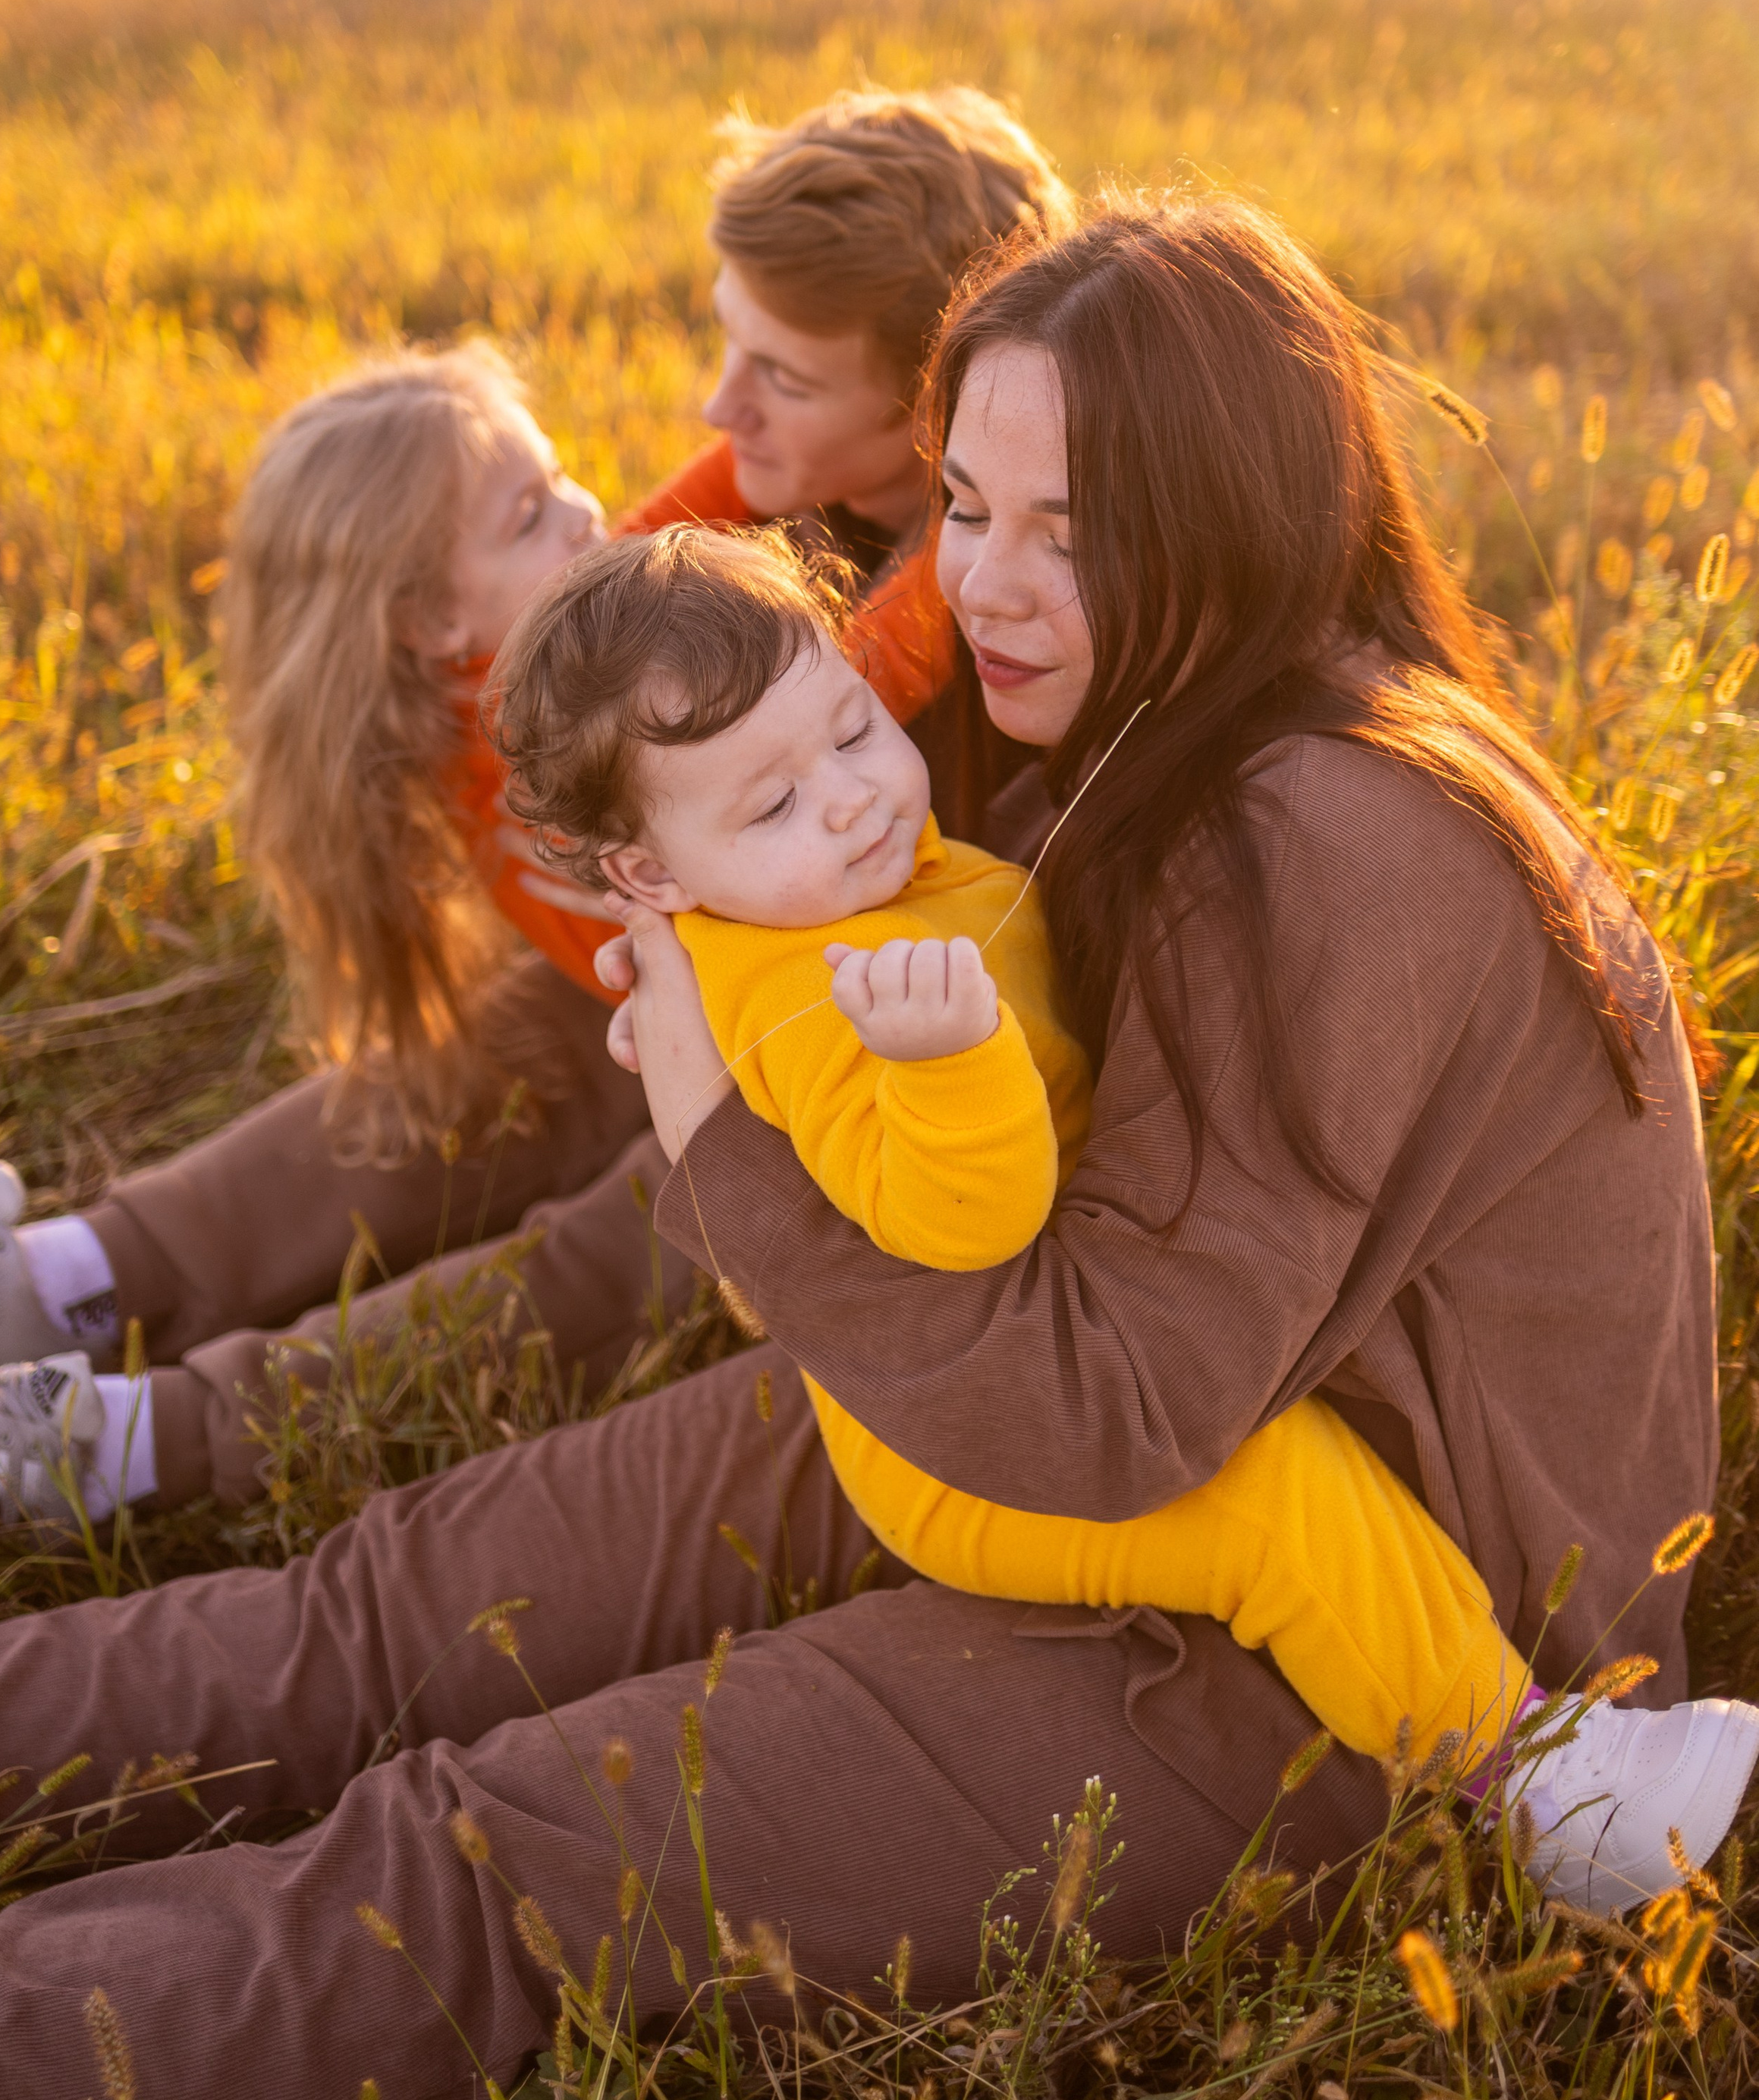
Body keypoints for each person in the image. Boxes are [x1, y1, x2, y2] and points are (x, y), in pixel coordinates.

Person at [0, 194, 1730, 2100]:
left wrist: (717, 1130)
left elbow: (1119, 1416)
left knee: (481, 1860)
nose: (982, 581)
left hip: (1360, 1646)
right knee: (391, 1602)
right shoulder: (1154, 728)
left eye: (1070, 528)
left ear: (1239, 511)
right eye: (964, 504)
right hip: (1049, 1386)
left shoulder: (1317, 837)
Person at [0, 89, 1070, 1519]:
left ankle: (124, 1444)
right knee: (476, 1059)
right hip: (719, 971)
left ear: (932, 403)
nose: (719, 407)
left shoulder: (1025, 616)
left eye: (779, 376)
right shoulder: (800, 521)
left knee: (634, 1220)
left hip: (888, 1083)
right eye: (729, 348)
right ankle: (59, 1280)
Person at [488, 520, 1757, 1885]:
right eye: (772, 806)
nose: (848, 800)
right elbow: (954, 1229)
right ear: (652, 878)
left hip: (1012, 1352)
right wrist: (949, 1065)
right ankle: (1541, 1786)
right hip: (960, 1443)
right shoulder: (809, 994)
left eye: (852, 731)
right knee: (1276, 1511)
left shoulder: (859, 891)